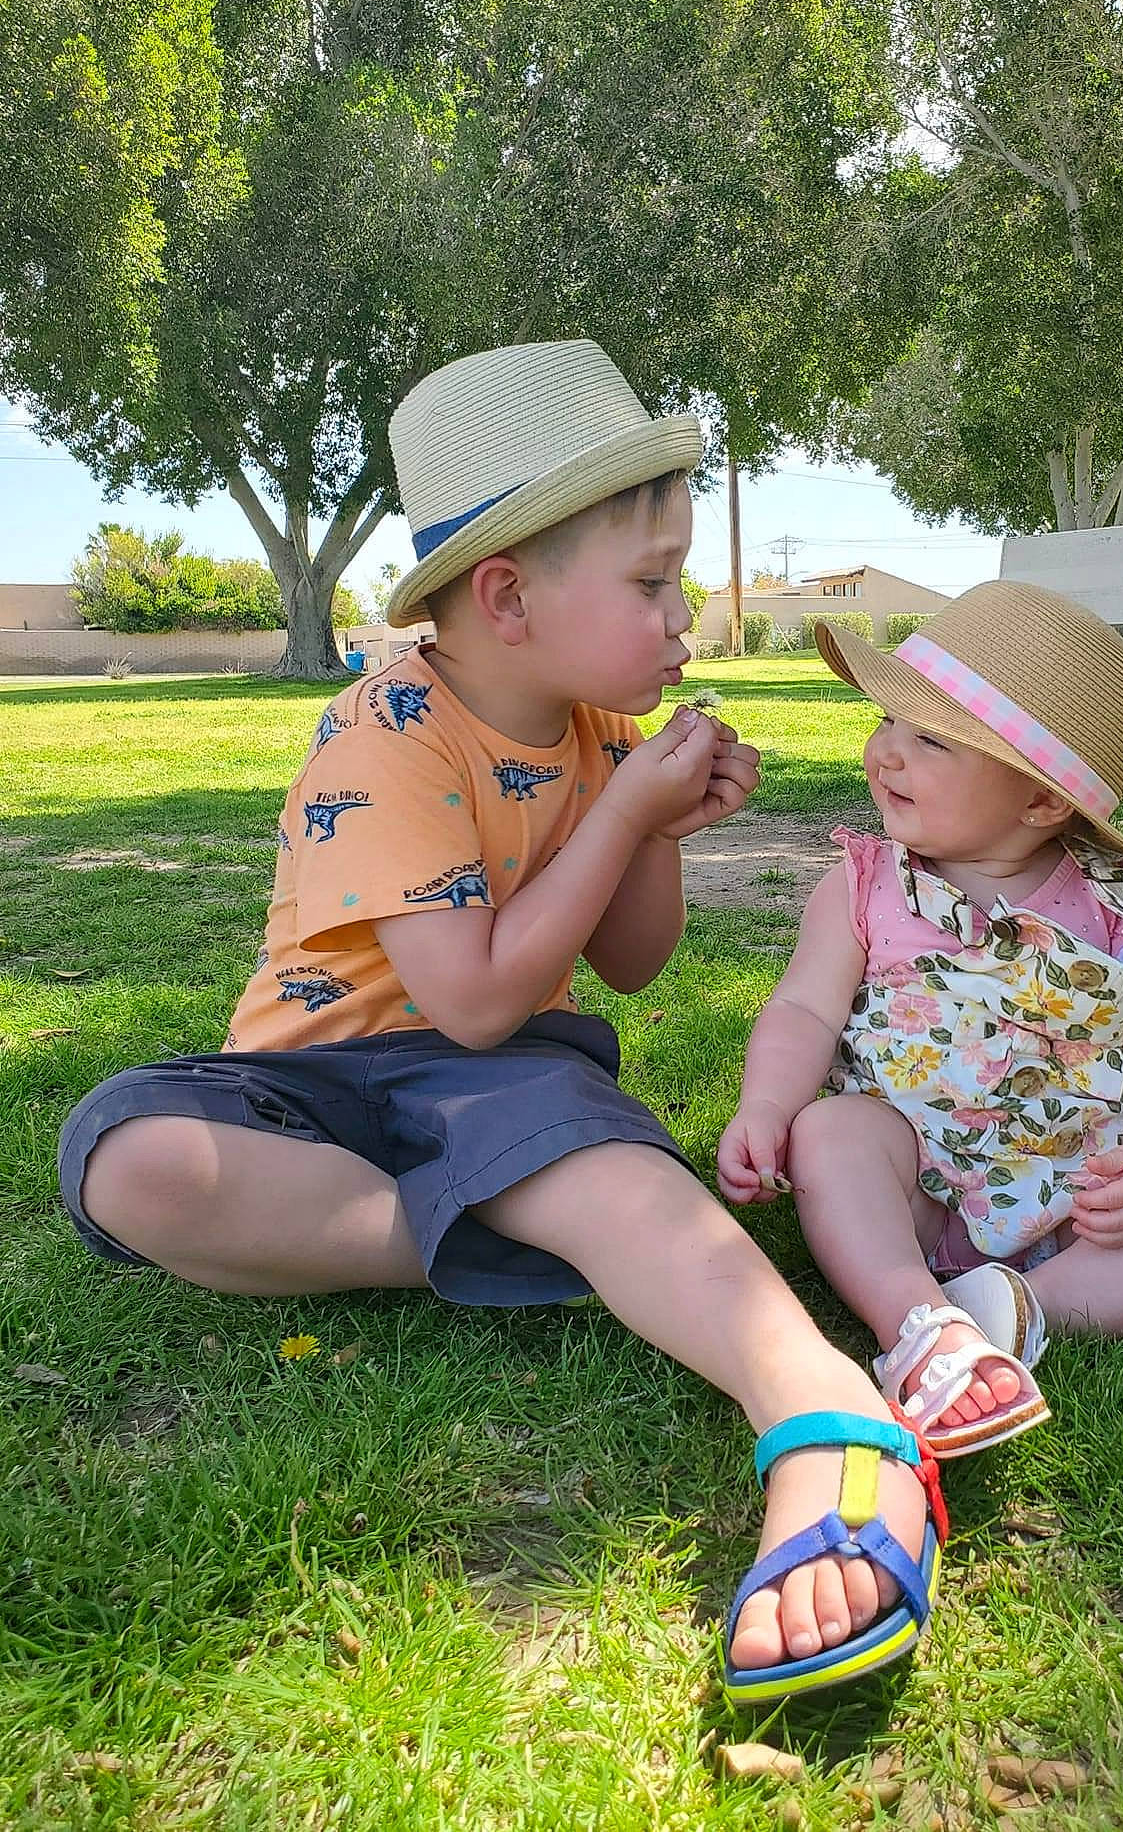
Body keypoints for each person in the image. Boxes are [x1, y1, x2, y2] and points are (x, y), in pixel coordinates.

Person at [57, 340, 948, 1705]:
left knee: (590, 1150)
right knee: (129, 1156)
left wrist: (653, 823)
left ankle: (826, 1408)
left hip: (503, 1080)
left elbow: (634, 962)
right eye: (653, 584)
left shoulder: (597, 731)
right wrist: (625, 811)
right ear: (507, 596)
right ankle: (545, 1232)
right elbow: (464, 990)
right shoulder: (386, 729)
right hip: (312, 1084)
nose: (684, 619)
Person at [718, 582, 1123, 1457]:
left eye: (928, 738)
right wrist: (766, 1109)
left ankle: (1024, 1311)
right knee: (832, 1134)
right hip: (912, 1181)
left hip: (1071, 1194)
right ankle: (919, 1318)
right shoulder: (866, 885)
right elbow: (802, 1008)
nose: (884, 752)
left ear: (1042, 801)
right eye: (888, 719)